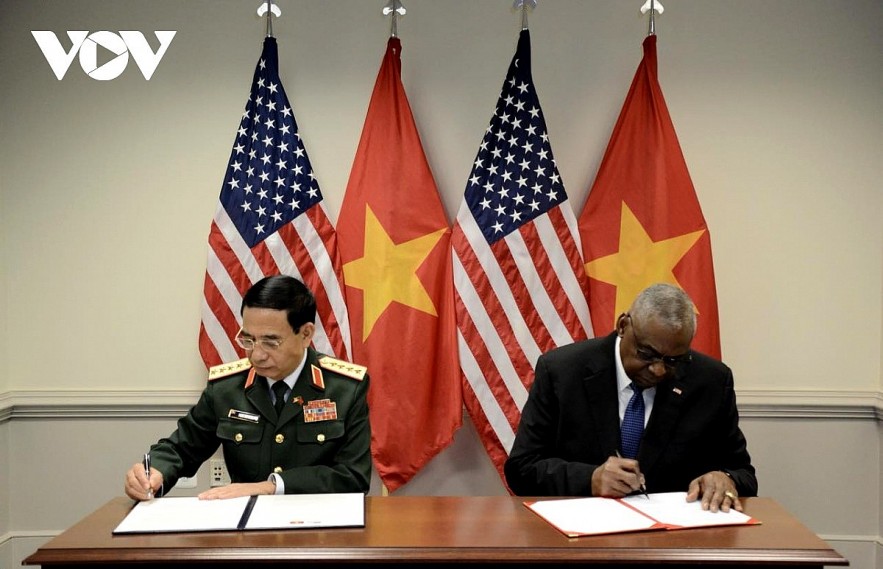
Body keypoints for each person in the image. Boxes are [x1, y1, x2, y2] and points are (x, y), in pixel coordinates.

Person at [504, 283, 757, 512]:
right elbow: (521, 469)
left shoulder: (711, 381)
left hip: (673, 545)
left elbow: (744, 475)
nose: (658, 369)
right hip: (581, 543)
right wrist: (590, 478)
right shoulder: (562, 371)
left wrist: (726, 478)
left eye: (673, 361)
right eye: (647, 354)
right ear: (623, 325)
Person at [124, 275, 371, 500]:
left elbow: (353, 477)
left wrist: (271, 486)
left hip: (322, 533)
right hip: (245, 532)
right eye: (248, 340)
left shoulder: (345, 388)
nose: (257, 355)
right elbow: (182, 448)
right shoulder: (227, 388)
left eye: (271, 342)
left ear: (306, 334)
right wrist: (155, 471)